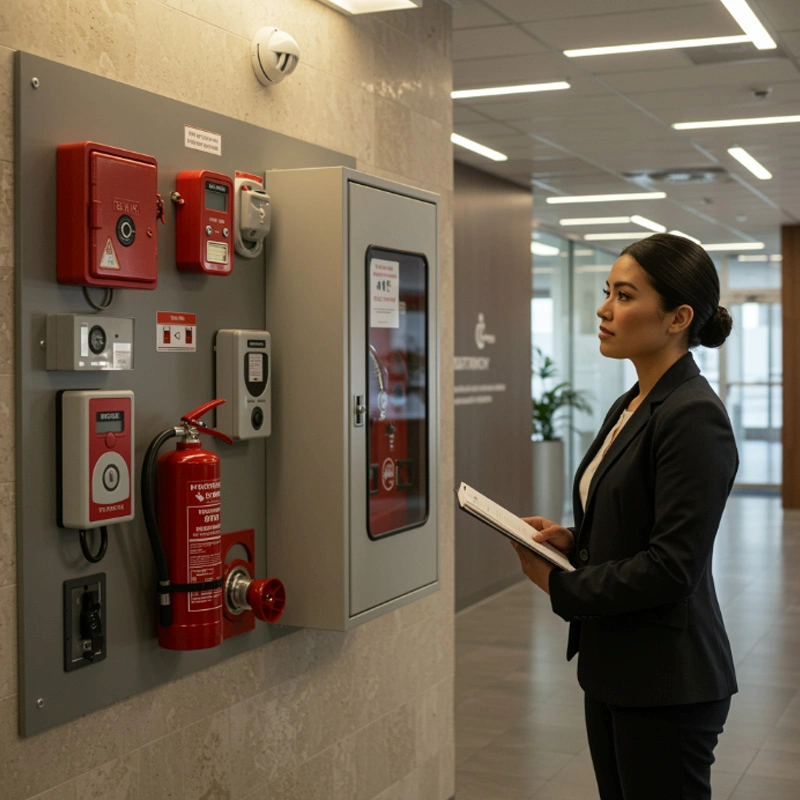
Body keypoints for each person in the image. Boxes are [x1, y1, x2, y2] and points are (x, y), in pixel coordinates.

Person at [513, 232, 738, 800]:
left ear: (677, 317)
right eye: (607, 291)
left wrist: (563, 586)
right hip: (618, 665)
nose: (604, 308)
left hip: (668, 680)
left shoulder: (693, 415)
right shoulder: (634, 400)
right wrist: (572, 539)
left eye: (624, 294)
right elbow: (630, 517)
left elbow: (671, 567)